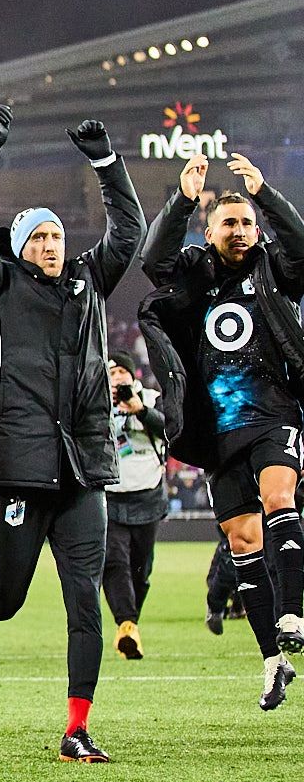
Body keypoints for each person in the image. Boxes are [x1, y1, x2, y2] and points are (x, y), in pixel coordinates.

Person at [0, 107, 142, 762]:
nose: (51, 244)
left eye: (56, 235)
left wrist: (107, 163)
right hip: (18, 467)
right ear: (20, 247)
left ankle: (76, 728)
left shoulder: (87, 281)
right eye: (38, 236)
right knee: (8, 597)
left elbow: (128, 229)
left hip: (81, 469)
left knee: (85, 601)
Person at [137, 150, 304, 711]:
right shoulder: (193, 269)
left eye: (247, 223)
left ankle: (293, 611)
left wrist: (266, 196)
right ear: (208, 231)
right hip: (216, 432)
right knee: (241, 542)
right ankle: (271, 661)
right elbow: (151, 261)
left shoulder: (274, 266)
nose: (240, 231)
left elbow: (301, 249)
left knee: (279, 495)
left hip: (274, 411)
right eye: (229, 223)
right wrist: (182, 200)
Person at [103, 350, 168, 659]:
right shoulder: (98, 404)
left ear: (133, 375)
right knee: (113, 562)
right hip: (111, 495)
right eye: (111, 373)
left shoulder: (153, 399)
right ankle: (126, 623)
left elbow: (170, 431)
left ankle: (129, 624)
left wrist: (139, 410)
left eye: (121, 372)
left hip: (147, 493)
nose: (117, 378)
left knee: (141, 569)